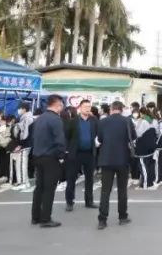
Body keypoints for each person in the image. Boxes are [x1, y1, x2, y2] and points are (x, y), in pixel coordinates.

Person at [30, 95, 66, 228]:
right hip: (51, 157)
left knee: (39, 187)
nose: (62, 108)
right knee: (49, 189)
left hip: (38, 156)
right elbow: (60, 141)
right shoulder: (56, 119)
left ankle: (36, 216)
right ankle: (46, 218)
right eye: (61, 105)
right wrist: (62, 156)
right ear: (57, 105)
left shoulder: (40, 119)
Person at [97, 101, 134, 229]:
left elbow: (100, 139)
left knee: (105, 191)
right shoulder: (127, 121)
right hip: (122, 159)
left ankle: (102, 219)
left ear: (111, 109)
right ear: (122, 109)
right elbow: (133, 137)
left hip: (106, 159)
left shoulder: (102, 122)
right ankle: (122, 216)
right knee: (122, 189)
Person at [64, 99, 98, 211]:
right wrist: (68, 150)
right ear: (80, 108)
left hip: (89, 153)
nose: (87, 109)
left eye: (89, 106)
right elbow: (67, 136)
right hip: (76, 154)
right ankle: (69, 202)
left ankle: (89, 201)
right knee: (71, 178)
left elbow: (98, 134)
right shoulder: (73, 121)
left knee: (90, 179)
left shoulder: (94, 120)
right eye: (85, 107)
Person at [11, 102, 35, 191]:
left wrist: (20, 144)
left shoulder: (26, 118)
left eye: (19, 108)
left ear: (24, 109)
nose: (18, 110)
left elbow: (24, 133)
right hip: (26, 144)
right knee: (21, 163)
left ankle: (23, 182)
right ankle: (23, 181)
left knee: (21, 163)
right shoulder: (27, 117)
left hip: (24, 144)